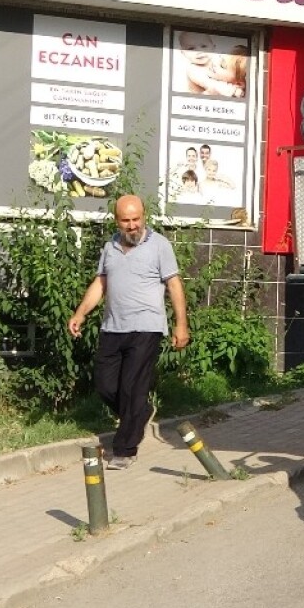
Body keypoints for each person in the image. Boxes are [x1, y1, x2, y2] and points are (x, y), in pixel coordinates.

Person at [67, 195, 189, 469]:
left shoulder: (159, 245)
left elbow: (174, 285)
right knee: (105, 385)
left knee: (132, 387)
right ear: (117, 221)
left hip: (146, 327)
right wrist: (80, 313)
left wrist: (181, 324)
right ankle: (141, 413)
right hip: (113, 327)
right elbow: (100, 283)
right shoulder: (110, 247)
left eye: (137, 219)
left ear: (144, 217)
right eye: (126, 221)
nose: (132, 226)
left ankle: (124, 450)